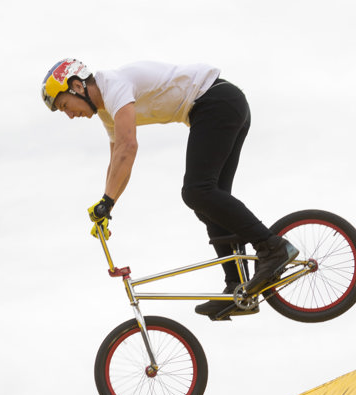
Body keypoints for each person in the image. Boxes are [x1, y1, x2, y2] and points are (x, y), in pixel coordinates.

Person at [41, 58, 298, 319]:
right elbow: (116, 160)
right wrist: (106, 206)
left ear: (77, 85)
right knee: (210, 204)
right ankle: (238, 288)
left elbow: (128, 147)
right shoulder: (108, 111)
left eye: (65, 106)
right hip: (221, 106)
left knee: (196, 191)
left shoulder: (113, 85)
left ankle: (272, 247)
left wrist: (107, 202)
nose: (70, 115)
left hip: (216, 102)